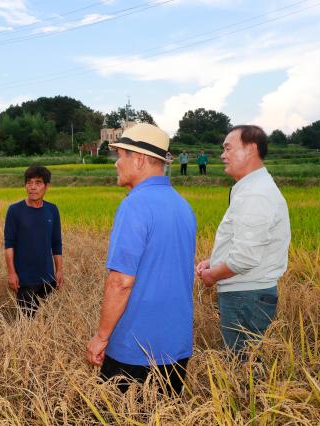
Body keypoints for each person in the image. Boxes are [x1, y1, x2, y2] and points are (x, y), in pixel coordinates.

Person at [86, 123, 197, 395]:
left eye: (120, 156)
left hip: (135, 349)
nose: (116, 164)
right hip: (176, 347)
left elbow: (121, 282)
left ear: (139, 160)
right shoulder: (183, 206)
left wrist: (101, 337)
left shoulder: (135, 205)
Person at [196, 125, 290, 358]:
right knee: (246, 365)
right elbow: (246, 243)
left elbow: (245, 257)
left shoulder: (256, 193)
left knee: (243, 371)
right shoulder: (250, 188)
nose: (222, 155)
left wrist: (213, 275)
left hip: (246, 296)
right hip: (247, 294)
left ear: (250, 149)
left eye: (228, 148)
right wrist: (215, 260)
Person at [4, 166, 63, 317]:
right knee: (26, 323)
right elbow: (9, 244)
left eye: (38, 183)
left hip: (48, 278)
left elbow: (56, 243)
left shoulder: (52, 210)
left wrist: (59, 270)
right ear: (25, 185)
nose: (33, 187)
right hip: (25, 280)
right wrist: (11, 273)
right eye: (29, 183)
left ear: (47, 186)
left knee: (47, 321)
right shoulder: (15, 211)